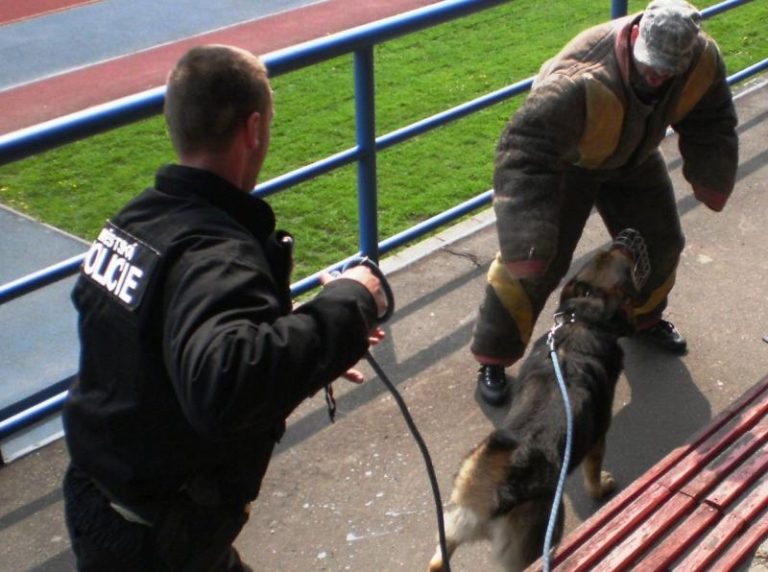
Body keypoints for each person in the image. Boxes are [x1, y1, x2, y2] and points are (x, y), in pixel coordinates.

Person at [62, 44, 389, 571]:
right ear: (254, 130)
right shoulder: (217, 253)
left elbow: (172, 349)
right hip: (158, 541)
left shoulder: (133, 223)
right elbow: (226, 387)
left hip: (107, 500)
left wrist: (306, 337)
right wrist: (350, 304)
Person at [472, 0, 738, 406]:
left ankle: (645, 319)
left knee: (661, 242)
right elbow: (524, 152)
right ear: (635, 36)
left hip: (634, 155)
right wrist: (527, 235)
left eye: (669, 69)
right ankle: (494, 356)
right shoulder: (578, 80)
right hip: (572, 161)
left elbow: (712, 116)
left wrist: (711, 175)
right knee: (532, 265)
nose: (656, 75)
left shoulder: (700, 59)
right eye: (650, 64)